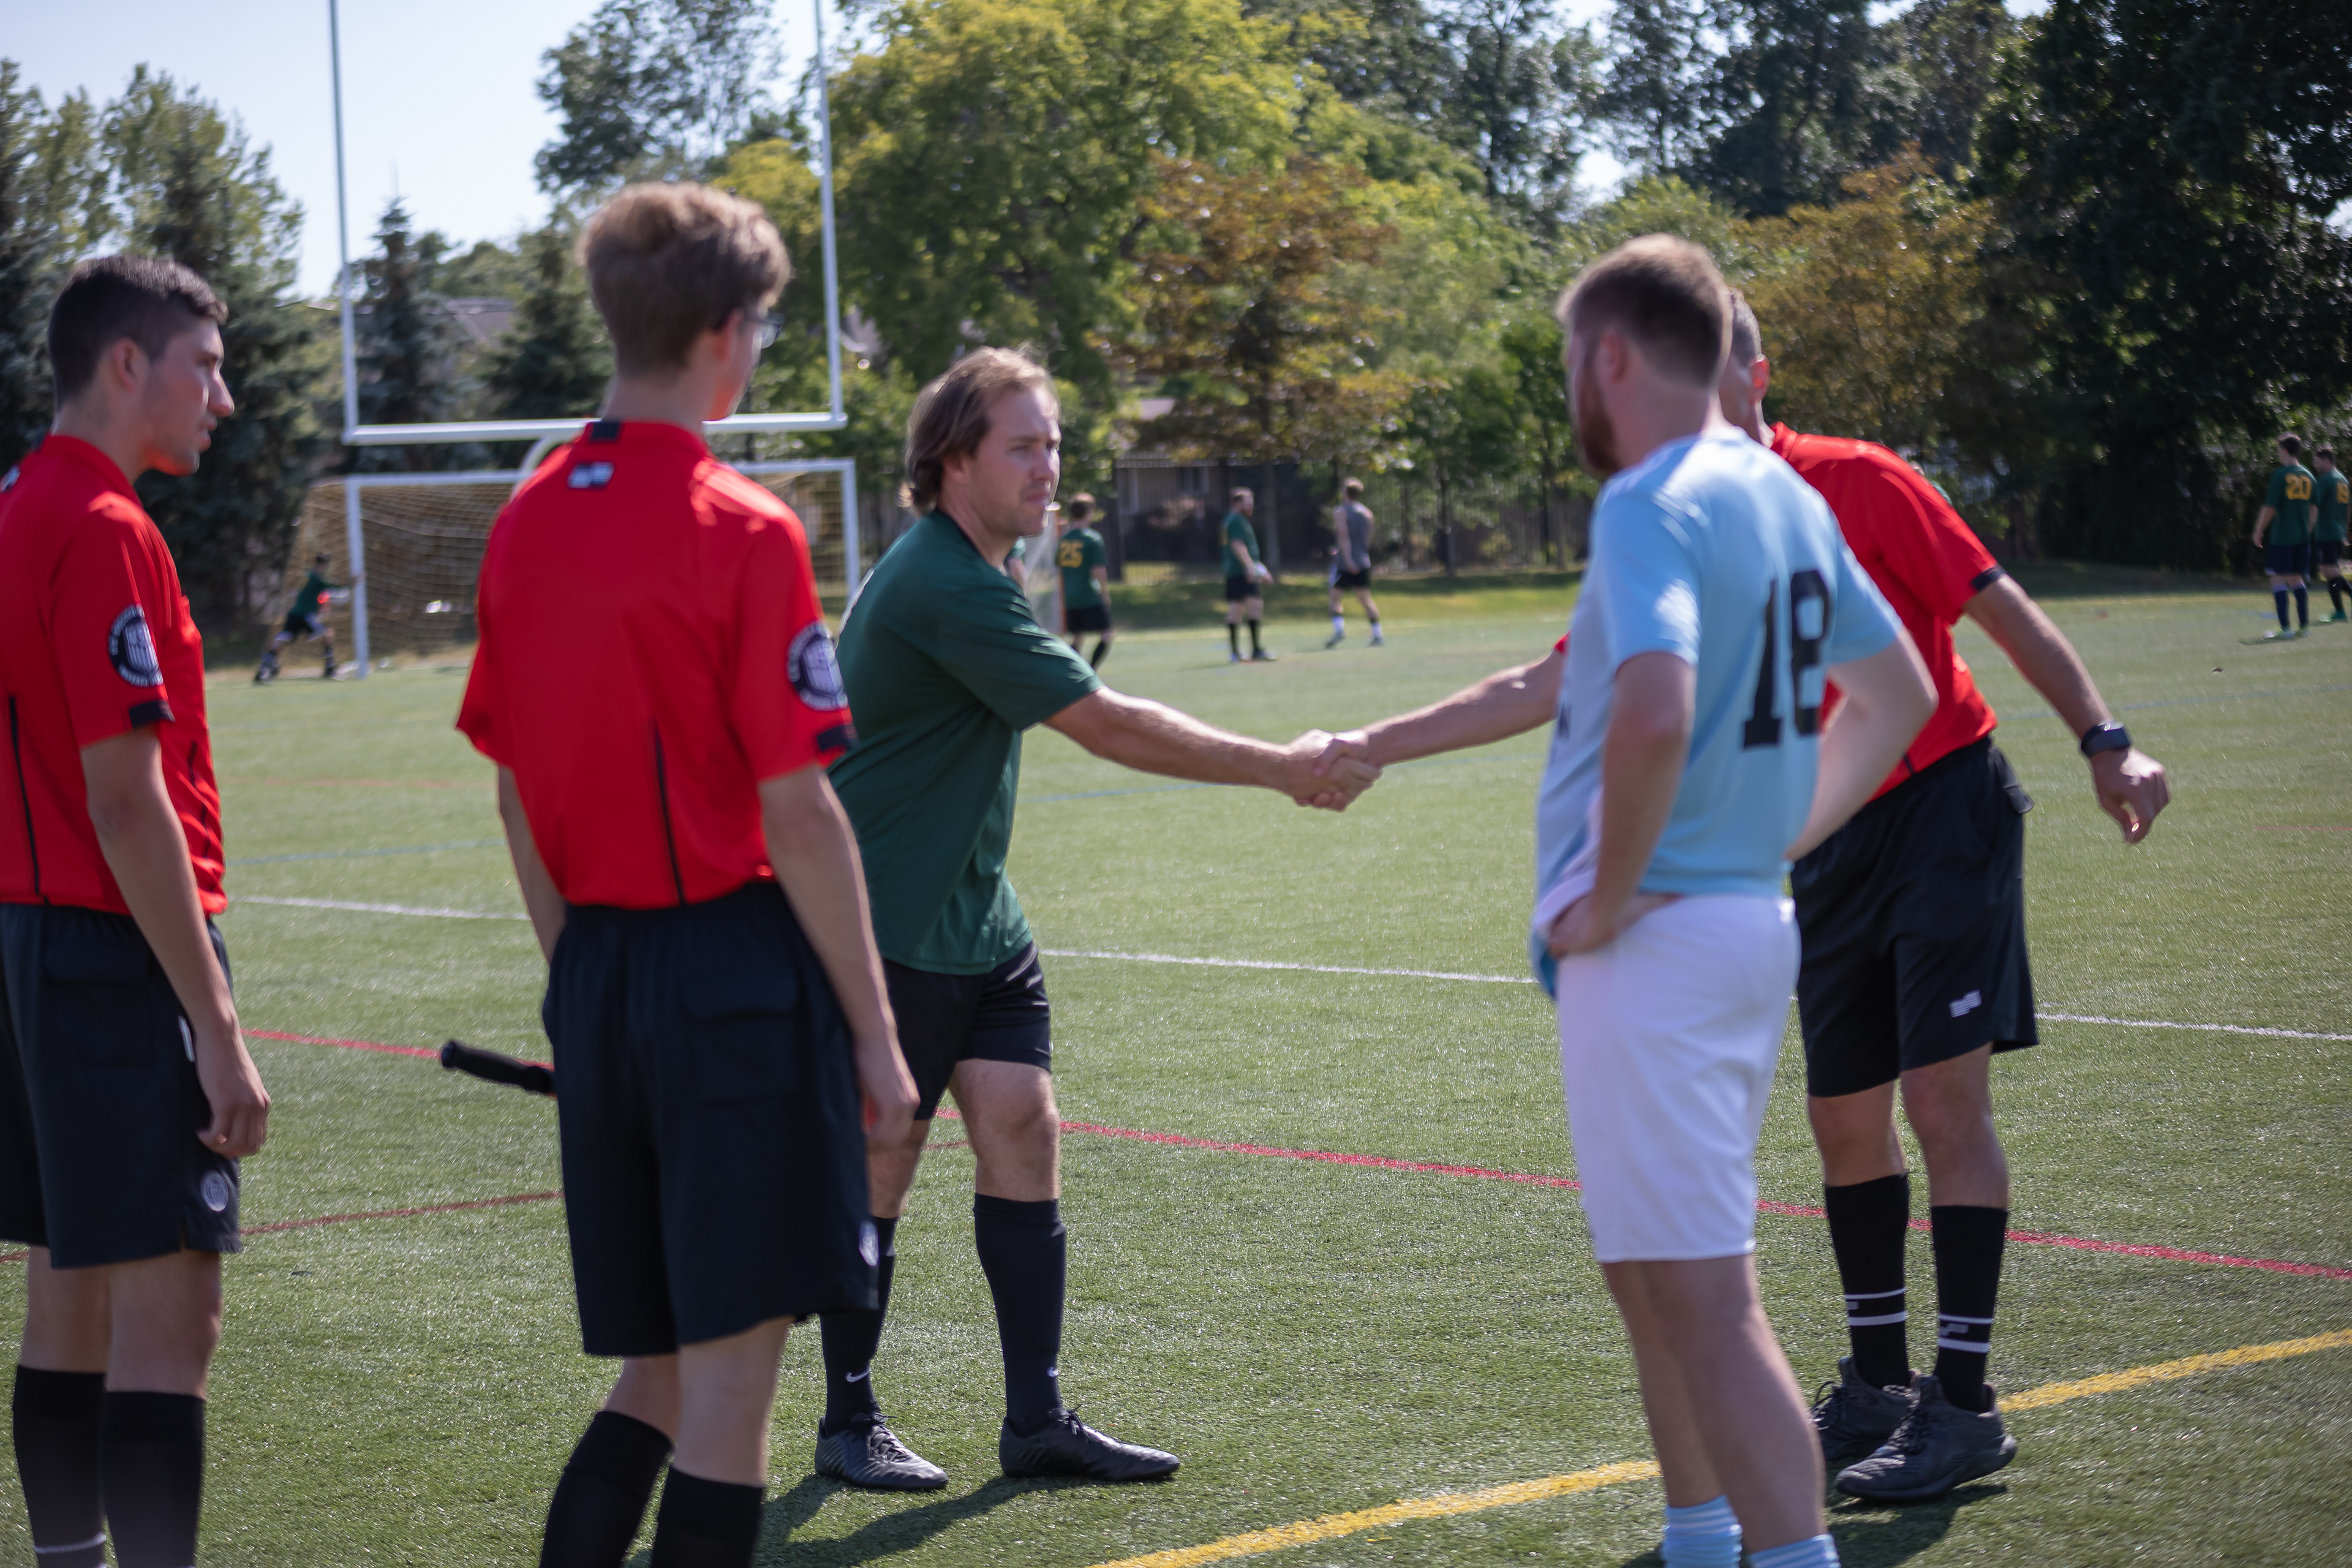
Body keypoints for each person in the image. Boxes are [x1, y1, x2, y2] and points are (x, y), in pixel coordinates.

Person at [1323, 238, 1935, 1568]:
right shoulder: (1779, 494)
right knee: (1655, 1270)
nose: (1569, 390)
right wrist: (1764, 842)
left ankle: (1779, 1549)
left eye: (1567, 362)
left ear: (1610, 356)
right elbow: (1900, 696)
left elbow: (1656, 707)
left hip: (1660, 943)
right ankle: (1699, 1535)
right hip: (1732, 925)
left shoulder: (1653, 497)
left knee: (1709, 1298)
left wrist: (1612, 895)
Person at [812, 346, 1379, 1492]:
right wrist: (1281, 767)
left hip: (978, 913)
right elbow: (1106, 722)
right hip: (890, 922)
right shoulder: (941, 579)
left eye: (1054, 444)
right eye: (1022, 446)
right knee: (887, 1160)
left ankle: (1037, 1422)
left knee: (1024, 1126)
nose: (1048, 467)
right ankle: (848, 1419)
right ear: (953, 459)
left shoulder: (975, 567)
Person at [454, 183, 919, 1568]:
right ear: (726, 332)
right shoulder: (745, 526)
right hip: (729, 981)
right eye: (764, 323)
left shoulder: (525, 518)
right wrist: (878, 1037)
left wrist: (581, 983)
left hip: (599, 974)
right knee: (725, 1396)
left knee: (653, 1373)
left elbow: (513, 788)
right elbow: (800, 808)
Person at [1717, 290, 2171, 1500]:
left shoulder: (1860, 478)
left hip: (1944, 809)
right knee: (1841, 1116)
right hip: (1828, 834)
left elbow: (1998, 604)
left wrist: (2105, 740)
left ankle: (1963, 1406)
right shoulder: (1700, 520)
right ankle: (1879, 1385)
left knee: (1940, 1099)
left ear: (1757, 375)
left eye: (1707, 370)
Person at [1, 255, 271, 1568]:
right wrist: (216, 1026)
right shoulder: (107, 525)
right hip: (110, 947)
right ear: (126, 363)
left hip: (26, 937)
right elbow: (126, 801)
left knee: (72, 1287)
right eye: (204, 366)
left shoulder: (14, 503)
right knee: (173, 1312)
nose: (223, 397)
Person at [2252, 435, 2316, 640]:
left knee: (2278, 579)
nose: (2278, 453)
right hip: (2302, 538)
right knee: (2297, 579)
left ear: (2285, 451)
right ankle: (2304, 628)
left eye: (2279, 449)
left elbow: (2270, 507)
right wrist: (2307, 529)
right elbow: (2315, 509)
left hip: (2283, 537)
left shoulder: (2281, 475)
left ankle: (2286, 629)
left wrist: (2259, 530)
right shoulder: (2309, 476)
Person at [255, 553, 339, 683]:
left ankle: (263, 669)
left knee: (283, 639)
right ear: (324, 565)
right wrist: (352, 583)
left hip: (294, 614)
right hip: (306, 616)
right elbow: (335, 587)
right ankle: (330, 668)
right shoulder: (317, 579)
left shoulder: (306, 576)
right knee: (328, 634)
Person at [1055, 493, 1114, 668]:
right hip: (1089, 595)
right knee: (1107, 635)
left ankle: (1071, 671)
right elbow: (1098, 570)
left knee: (1077, 638)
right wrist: (1105, 594)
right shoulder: (1092, 539)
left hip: (1070, 597)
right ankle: (1091, 670)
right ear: (1089, 512)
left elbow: (1059, 569)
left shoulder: (1064, 539)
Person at [1324, 478, 1384, 649]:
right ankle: (1378, 634)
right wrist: (1360, 555)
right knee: (1366, 599)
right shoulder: (1367, 514)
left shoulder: (1341, 512)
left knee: (1334, 598)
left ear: (1345, 492)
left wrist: (1348, 559)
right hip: (1363, 561)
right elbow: (1368, 538)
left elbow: (1344, 536)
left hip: (1345, 563)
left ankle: (1339, 630)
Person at [1220, 486, 1275, 662]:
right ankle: (1254, 650)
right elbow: (1237, 545)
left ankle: (1236, 652)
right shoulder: (1236, 520)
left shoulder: (1231, 519)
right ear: (1237, 503)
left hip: (1235, 571)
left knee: (1238, 607)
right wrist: (1250, 568)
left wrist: (1260, 569)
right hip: (1240, 572)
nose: (1251, 506)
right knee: (1254, 605)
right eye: (1248, 503)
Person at [2310, 446, 2348, 623]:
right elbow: (2348, 507)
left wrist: (2307, 529)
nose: (2315, 465)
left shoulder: (2326, 480)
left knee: (2330, 572)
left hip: (2327, 533)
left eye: (2317, 462)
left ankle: (2340, 612)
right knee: (2329, 571)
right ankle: (2342, 607)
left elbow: (2314, 506)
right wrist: (2344, 528)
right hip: (2338, 531)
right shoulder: (2342, 479)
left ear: (2326, 461)